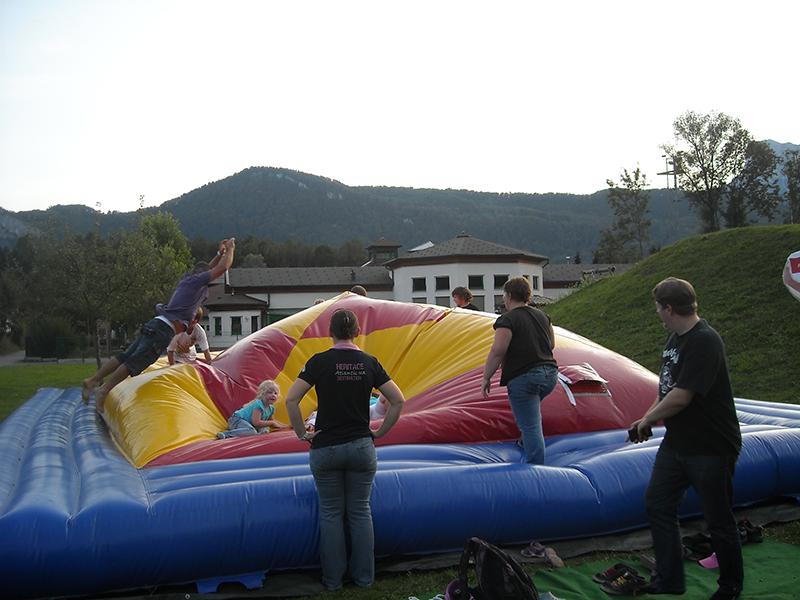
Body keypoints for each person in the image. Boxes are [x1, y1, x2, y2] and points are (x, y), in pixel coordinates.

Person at [629, 278, 743, 600]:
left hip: (710, 447)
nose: (656, 313)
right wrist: (645, 418)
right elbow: (666, 389)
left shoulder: (705, 341)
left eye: (657, 308)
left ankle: (730, 586)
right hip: (678, 444)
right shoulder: (674, 339)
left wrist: (651, 417)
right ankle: (669, 579)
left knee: (718, 519)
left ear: (669, 308)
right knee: (658, 502)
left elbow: (682, 397)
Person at [285, 308, 405, 591]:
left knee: (330, 514)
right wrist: (380, 432)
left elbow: (291, 399)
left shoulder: (319, 362)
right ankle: (364, 579)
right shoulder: (369, 362)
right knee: (360, 512)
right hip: (361, 445)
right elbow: (397, 400)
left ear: (330, 333)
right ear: (357, 333)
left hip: (326, 447)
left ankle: (333, 581)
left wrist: (302, 433)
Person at [82, 238, 236, 412]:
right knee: (133, 363)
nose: (210, 277)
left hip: (156, 323)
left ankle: (92, 380)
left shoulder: (189, 281)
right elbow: (222, 268)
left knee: (125, 356)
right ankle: (104, 390)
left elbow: (208, 268)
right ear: (201, 275)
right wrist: (230, 249)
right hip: (163, 331)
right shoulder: (196, 282)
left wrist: (219, 254)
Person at [481, 276, 558, 464]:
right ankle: (525, 442)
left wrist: (486, 377)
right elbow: (552, 344)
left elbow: (498, 351)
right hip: (550, 374)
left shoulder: (507, 320)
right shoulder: (543, 316)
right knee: (529, 414)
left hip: (524, 377)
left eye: (504, 296)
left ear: (509, 296)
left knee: (530, 425)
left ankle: (537, 467)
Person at [217, 379, 291, 438]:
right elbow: (256, 422)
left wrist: (286, 426)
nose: (273, 395)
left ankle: (257, 437)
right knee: (252, 431)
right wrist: (272, 423)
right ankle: (226, 434)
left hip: (248, 425)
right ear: (262, 394)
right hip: (236, 420)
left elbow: (273, 422)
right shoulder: (259, 405)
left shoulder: (271, 409)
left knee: (265, 429)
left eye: (275, 393)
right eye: (270, 392)